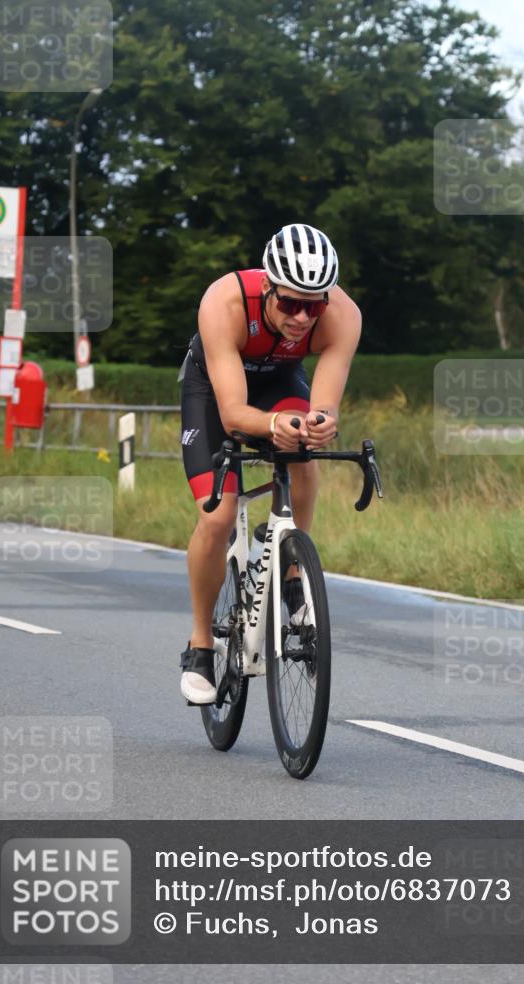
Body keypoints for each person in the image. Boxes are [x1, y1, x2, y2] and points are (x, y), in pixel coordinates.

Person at [179, 223, 361, 703]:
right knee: (217, 516)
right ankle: (200, 645)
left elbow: (324, 405)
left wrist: (320, 423)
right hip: (215, 391)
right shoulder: (224, 303)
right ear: (267, 287)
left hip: (279, 379)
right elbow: (234, 414)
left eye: (314, 304)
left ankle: (291, 568)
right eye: (290, 303)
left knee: (305, 445)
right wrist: (271, 426)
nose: (303, 317)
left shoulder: (343, 315)